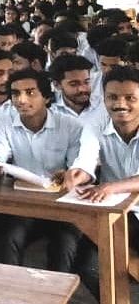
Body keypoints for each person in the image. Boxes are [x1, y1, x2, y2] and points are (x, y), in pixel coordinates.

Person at [0, 70, 96, 273]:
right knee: (9, 238)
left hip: (63, 205)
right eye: (15, 93)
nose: (21, 100)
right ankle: (9, 296)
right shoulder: (4, 124)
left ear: (46, 97)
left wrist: (69, 174)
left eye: (30, 93)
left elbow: (77, 168)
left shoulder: (71, 126)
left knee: (65, 244)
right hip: (25, 203)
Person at [71, 66, 139, 298]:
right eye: (112, 97)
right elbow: (86, 159)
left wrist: (112, 186)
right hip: (115, 212)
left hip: (127, 205)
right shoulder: (95, 123)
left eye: (130, 98)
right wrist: (78, 173)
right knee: (86, 267)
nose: (120, 104)